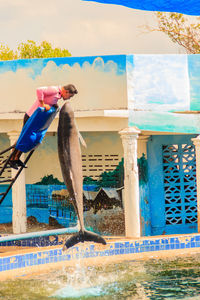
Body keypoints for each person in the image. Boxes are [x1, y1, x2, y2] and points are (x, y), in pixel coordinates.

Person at [9, 84, 78, 169]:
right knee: (24, 138)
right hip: (31, 116)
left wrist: (54, 104)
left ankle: (16, 158)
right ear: (66, 92)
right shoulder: (54, 90)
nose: (68, 98)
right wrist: (42, 104)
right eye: (69, 96)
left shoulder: (58, 95)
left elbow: (49, 99)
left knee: (28, 140)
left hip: (36, 118)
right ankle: (12, 159)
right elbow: (39, 90)